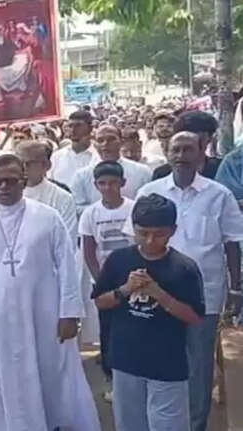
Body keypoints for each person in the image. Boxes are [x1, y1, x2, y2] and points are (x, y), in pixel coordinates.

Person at [0, 154, 100, 431]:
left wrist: (70, 313)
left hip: (41, 315)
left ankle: (49, 423)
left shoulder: (47, 217)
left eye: (10, 181)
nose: (4, 188)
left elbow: (68, 265)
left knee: (47, 373)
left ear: (23, 181)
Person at [127, 131, 243, 431]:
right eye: (175, 149)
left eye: (188, 149)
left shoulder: (219, 194)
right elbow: (135, 243)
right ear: (167, 152)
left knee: (198, 363)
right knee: (155, 359)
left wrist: (235, 288)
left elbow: (232, 242)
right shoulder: (150, 192)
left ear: (202, 151)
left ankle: (195, 425)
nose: (181, 155)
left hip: (204, 294)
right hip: (154, 292)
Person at [94, 194, 205, 430]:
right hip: (125, 361)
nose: (150, 240)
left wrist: (158, 293)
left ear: (172, 231)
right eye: (143, 233)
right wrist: (125, 289)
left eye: (159, 234)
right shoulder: (118, 260)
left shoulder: (183, 268)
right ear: (133, 228)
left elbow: (194, 317)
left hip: (167, 365)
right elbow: (100, 302)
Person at [78, 161, 135, 401]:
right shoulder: (91, 213)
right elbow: (89, 249)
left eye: (113, 183)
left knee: (134, 328)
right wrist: (100, 280)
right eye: (102, 183)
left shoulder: (133, 209)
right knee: (109, 332)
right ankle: (113, 380)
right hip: (104, 282)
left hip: (132, 279)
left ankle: (134, 377)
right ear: (96, 185)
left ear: (122, 183)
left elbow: (138, 244)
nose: (108, 188)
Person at [71, 124, 152, 215]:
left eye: (111, 139)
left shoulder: (142, 172)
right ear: (94, 144)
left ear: (121, 142)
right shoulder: (81, 176)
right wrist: (105, 212)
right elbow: (77, 207)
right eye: (100, 140)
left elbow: (149, 204)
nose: (105, 144)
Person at [152, 111, 222, 180]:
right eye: (185, 138)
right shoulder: (162, 174)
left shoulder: (222, 169)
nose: (192, 143)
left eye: (198, 139)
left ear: (209, 138)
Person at [49, 110, 97, 188]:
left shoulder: (97, 156)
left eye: (78, 126)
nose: (73, 130)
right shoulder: (57, 156)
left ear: (90, 128)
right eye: (70, 126)